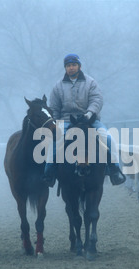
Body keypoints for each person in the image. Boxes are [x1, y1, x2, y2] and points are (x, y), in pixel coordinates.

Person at [43, 53, 126, 188]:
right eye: (68, 66)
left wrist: (90, 113)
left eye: (74, 65)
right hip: (66, 120)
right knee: (55, 141)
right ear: (65, 68)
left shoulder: (91, 82)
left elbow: (97, 100)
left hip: (89, 119)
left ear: (79, 66)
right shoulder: (58, 86)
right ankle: (49, 172)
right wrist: (56, 123)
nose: (71, 68)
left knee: (109, 139)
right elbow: (54, 107)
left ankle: (115, 170)